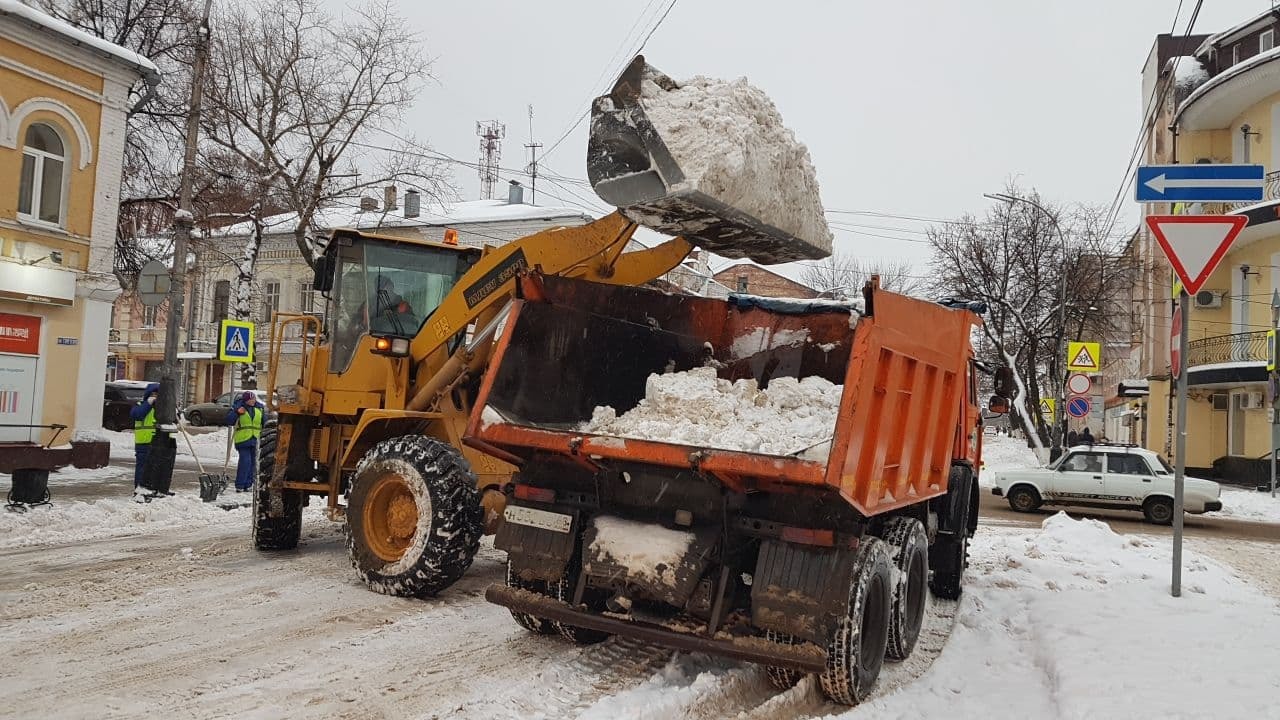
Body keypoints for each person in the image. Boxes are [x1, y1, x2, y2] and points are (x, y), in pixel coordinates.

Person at [226, 391, 264, 492]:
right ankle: (240, 484)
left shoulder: (259, 408)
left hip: (255, 439)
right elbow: (229, 421)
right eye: (250, 399)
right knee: (245, 461)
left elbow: (264, 422)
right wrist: (237, 412)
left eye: (253, 399)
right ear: (246, 400)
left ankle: (248, 484)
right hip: (243, 439)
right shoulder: (238, 407)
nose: (252, 401)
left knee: (253, 463)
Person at [130, 383, 160, 493]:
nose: (155, 396)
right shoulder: (141, 405)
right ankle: (140, 489)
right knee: (142, 469)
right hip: (144, 443)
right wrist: (148, 404)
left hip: (160, 443)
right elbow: (137, 415)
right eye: (153, 394)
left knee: (157, 469)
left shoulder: (162, 407)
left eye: (158, 394)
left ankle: (154, 489)